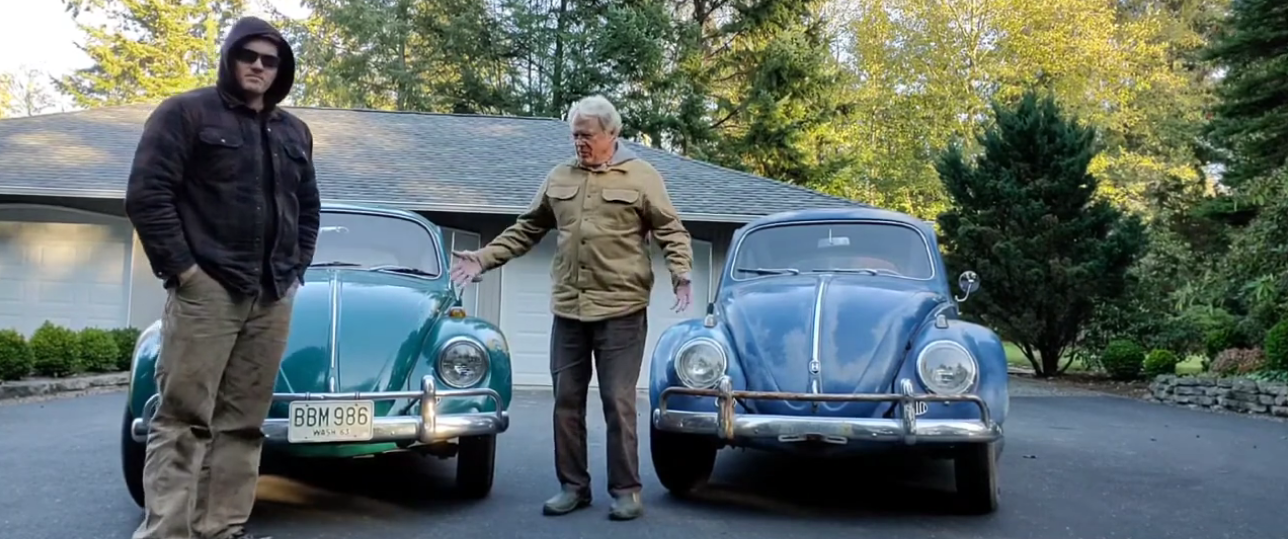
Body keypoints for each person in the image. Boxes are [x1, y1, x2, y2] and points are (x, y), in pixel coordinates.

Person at [450, 94, 694, 521]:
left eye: (587, 135)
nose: (579, 143)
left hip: (621, 310)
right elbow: (527, 229)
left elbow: (671, 230)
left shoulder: (642, 177)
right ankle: (573, 487)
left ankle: (626, 490)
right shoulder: (559, 177)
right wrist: (484, 257)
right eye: (574, 135)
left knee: (618, 402)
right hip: (569, 309)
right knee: (566, 401)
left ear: (611, 134)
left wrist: (682, 272)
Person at [124, 16, 320, 539]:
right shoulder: (185, 113)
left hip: (272, 295)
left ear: (281, 70)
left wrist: (295, 270)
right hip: (206, 291)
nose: (258, 65)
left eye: (270, 60)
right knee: (183, 417)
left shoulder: (294, 131)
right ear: (230, 58)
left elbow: (308, 209)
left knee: (243, 423)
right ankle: (167, 531)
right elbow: (147, 196)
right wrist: (186, 272)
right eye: (248, 55)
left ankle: (222, 528)